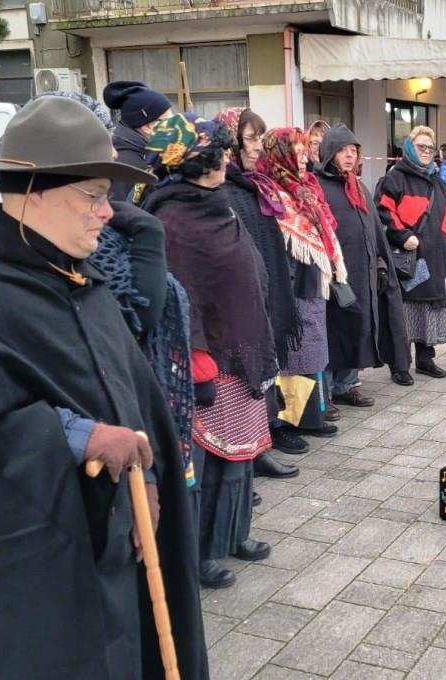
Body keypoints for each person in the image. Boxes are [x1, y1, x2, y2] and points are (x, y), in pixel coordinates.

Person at [0, 96, 207, 679]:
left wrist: (153, 475)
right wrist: (78, 435)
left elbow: (130, 392)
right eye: (92, 195)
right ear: (33, 189)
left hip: (126, 529)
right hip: (44, 564)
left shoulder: (78, 278)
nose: (107, 213)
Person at [142, 113, 277, 590]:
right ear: (201, 161)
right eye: (219, 153)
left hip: (241, 350)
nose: (226, 159)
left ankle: (235, 533)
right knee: (205, 463)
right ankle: (200, 552)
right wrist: (197, 358)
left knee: (239, 456)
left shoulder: (215, 202)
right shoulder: (172, 219)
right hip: (208, 360)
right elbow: (181, 295)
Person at [215, 107, 317, 468]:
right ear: (230, 141)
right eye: (251, 138)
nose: (258, 145)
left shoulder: (256, 184)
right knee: (245, 376)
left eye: (261, 138)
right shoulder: (224, 190)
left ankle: (262, 440)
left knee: (265, 370)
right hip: (240, 302)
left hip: (268, 292)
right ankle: (250, 449)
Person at [254, 126, 348, 443]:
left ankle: (310, 416)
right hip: (289, 285)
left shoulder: (306, 187)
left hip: (312, 282)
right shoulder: (270, 191)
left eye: (304, 149)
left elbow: (324, 228)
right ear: (279, 155)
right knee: (290, 358)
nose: (303, 156)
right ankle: (284, 425)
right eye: (295, 150)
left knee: (312, 353)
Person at [317, 124, 409, 402]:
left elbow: (374, 229)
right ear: (330, 152)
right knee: (334, 330)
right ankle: (328, 391)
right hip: (334, 273)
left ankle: (346, 385)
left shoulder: (358, 186)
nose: (349, 156)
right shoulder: (318, 186)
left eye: (353, 151)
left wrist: (381, 261)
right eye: (343, 150)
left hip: (363, 270)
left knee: (358, 325)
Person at [375, 125, 446, 378]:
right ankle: (400, 365)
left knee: (429, 310)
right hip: (408, 259)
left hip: (435, 259)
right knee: (404, 313)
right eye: (421, 146)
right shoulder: (395, 177)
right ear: (409, 147)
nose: (426, 152)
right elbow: (383, 211)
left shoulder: (437, 181)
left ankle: (425, 359)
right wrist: (403, 235)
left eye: (430, 148)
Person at [102, 80, 173, 201]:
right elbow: (121, 213)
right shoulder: (125, 165)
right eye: (169, 121)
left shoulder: (147, 153)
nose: (174, 126)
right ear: (147, 128)